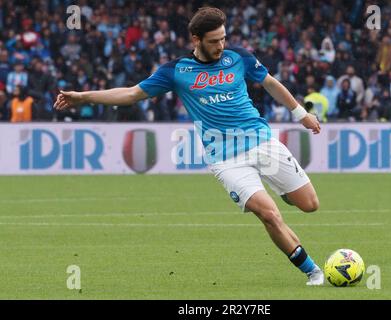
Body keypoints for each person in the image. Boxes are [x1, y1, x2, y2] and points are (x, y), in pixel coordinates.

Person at [54, 7, 324, 286]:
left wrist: (301, 114)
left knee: (310, 205)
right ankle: (313, 271)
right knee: (268, 214)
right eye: (213, 41)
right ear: (196, 39)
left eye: (223, 39)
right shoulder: (176, 71)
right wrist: (84, 97)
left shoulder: (239, 57)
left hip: (261, 141)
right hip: (225, 158)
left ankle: (285, 192)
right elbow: (132, 93)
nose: (220, 46)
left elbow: (269, 83)